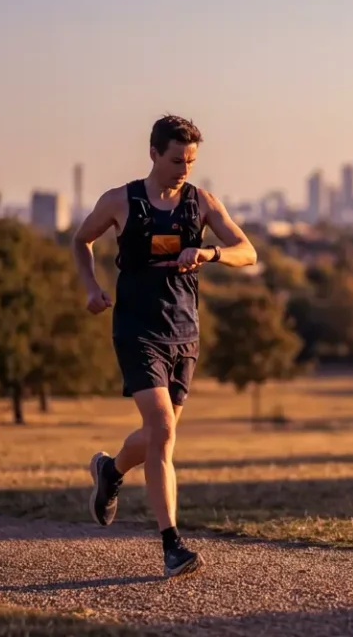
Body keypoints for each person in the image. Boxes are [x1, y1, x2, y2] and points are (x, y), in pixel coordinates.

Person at [71, 114, 257, 578]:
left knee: (159, 434)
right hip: (136, 329)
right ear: (153, 153)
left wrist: (211, 253)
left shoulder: (201, 202)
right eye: (176, 160)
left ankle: (111, 471)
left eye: (191, 161)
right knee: (163, 430)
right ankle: (172, 544)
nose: (184, 169)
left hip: (184, 331)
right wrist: (91, 288)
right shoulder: (120, 201)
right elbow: (81, 241)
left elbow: (247, 251)